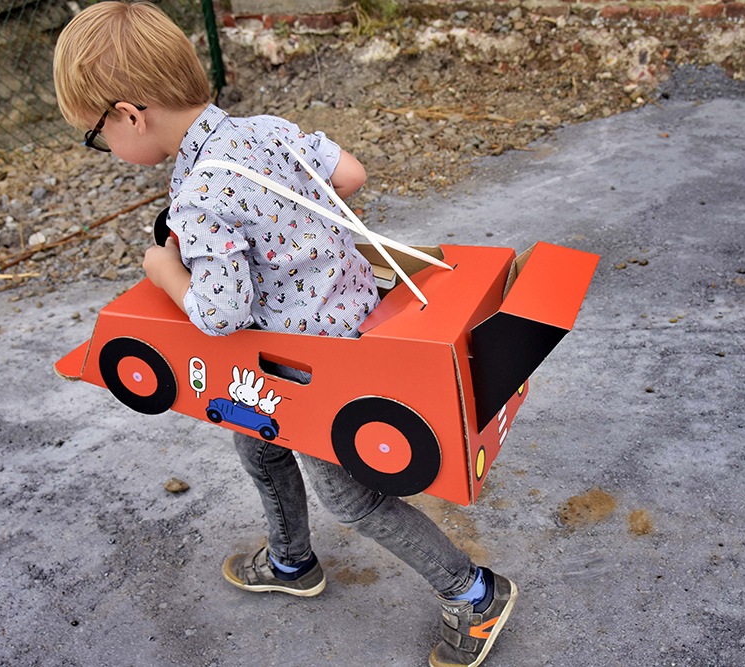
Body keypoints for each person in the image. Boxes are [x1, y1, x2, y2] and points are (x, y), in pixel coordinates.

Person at [52, 3, 516, 666]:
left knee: (350, 494)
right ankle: (292, 560)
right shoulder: (262, 130)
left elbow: (222, 313)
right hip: (360, 314)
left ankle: (474, 594)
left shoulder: (202, 194)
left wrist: (164, 269)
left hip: (311, 366)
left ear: (129, 114)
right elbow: (349, 176)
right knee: (256, 439)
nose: (106, 148)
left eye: (96, 135)